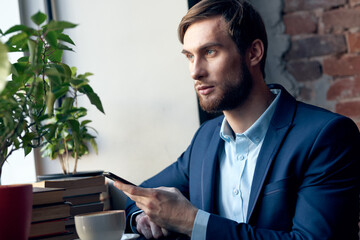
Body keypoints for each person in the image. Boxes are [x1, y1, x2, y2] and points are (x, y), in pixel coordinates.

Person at [115, 0, 360, 239]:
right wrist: (141, 217)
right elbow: (136, 195)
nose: (195, 71)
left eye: (210, 52)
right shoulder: (205, 138)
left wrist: (192, 223)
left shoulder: (326, 136)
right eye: (189, 56)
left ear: (253, 53)